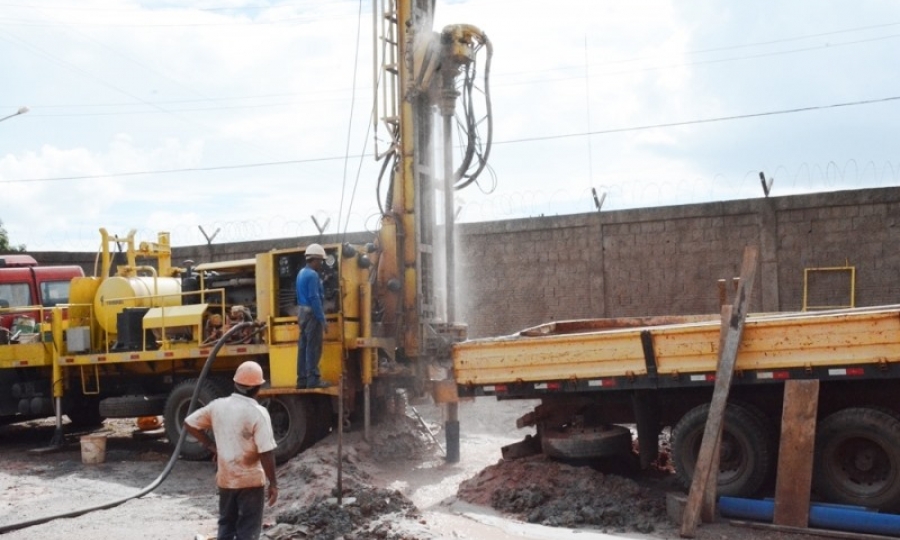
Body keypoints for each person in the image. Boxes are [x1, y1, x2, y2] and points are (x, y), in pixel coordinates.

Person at [183, 361, 278, 540]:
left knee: (226, 526)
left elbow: (189, 423)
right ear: (258, 388)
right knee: (248, 530)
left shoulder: (217, 406)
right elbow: (266, 452)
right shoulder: (258, 412)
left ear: (235, 384)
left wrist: (211, 446)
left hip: (226, 478)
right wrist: (273, 483)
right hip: (250, 481)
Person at [295, 243, 331, 389]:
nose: (321, 264)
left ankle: (302, 380)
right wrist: (322, 319)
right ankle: (313, 379)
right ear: (315, 260)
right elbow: (314, 298)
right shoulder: (312, 275)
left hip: (302, 313)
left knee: (303, 346)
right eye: (321, 261)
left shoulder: (301, 273)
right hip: (312, 315)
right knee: (314, 347)